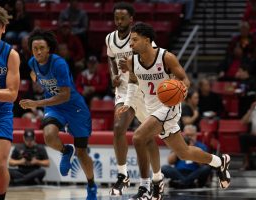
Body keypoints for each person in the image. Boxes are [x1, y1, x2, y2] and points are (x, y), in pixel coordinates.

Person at [117, 22, 231, 199]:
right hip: (151, 108)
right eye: (130, 40)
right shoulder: (132, 61)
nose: (130, 44)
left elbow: (185, 80)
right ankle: (219, 162)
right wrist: (128, 101)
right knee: (183, 152)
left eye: (134, 40)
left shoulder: (166, 57)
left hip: (169, 107)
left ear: (147, 40)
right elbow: (132, 81)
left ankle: (146, 187)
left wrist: (180, 92)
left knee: (139, 137)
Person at [19, 29, 97, 200]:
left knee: (82, 153)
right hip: (55, 108)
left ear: (49, 49)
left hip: (75, 108)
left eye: (41, 48)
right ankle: (65, 150)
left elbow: (65, 95)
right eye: (34, 48)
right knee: (48, 135)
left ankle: (91, 185)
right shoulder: (32, 63)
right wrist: (38, 82)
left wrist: (37, 103)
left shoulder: (59, 63)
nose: (38, 52)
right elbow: (34, 74)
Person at [105, 2, 161, 197]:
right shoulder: (110, 38)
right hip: (124, 89)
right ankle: (123, 176)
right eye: (116, 18)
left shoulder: (141, 38)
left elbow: (152, 62)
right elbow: (111, 58)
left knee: (146, 138)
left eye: (123, 18)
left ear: (131, 19)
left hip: (143, 89)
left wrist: (132, 67)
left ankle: (156, 177)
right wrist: (114, 75)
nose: (119, 21)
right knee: (119, 127)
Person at [0, 6, 20, 200]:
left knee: (0, 166)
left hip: (1, 115)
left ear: (3, 28)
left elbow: (12, 94)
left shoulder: (11, 55)